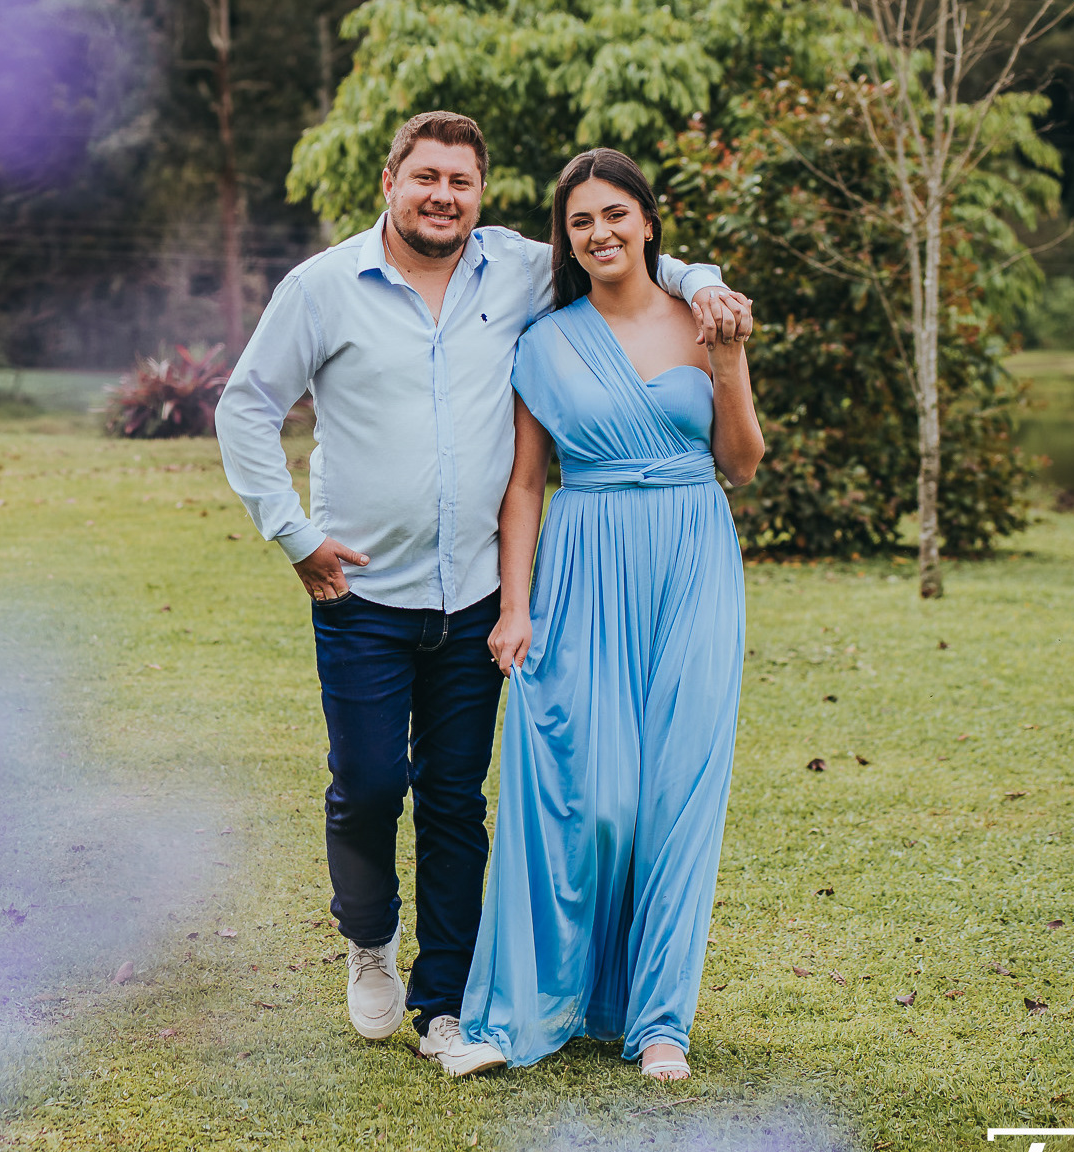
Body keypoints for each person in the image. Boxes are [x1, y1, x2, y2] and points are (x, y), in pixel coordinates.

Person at [215, 113, 753, 1077]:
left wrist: (703, 279)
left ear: (482, 196)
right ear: (390, 182)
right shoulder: (322, 288)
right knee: (369, 785)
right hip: (362, 588)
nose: (442, 196)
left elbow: (632, 253)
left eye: (460, 182)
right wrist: (294, 535)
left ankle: (446, 1004)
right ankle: (369, 936)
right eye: (426, 177)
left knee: (456, 800)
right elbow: (247, 405)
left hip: (473, 590)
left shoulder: (514, 269)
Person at [459, 147, 763, 1081]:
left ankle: (660, 1022)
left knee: (678, 793)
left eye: (615, 214)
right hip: (586, 560)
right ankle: (549, 1000)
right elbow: (524, 485)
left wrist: (730, 361)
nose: (599, 233)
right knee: (594, 794)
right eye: (581, 221)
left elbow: (743, 462)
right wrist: (515, 608)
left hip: (693, 555)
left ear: (648, 221)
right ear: (566, 237)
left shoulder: (704, 320)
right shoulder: (545, 342)